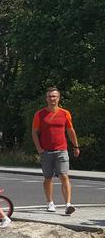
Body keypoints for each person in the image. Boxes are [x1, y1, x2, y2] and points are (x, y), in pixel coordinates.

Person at [32, 87, 80, 215]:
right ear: (46, 98)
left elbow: (70, 130)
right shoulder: (39, 114)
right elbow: (34, 132)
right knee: (48, 177)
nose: (52, 98)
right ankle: (50, 202)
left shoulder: (65, 113)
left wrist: (75, 146)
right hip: (46, 151)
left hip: (61, 150)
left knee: (64, 176)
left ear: (58, 98)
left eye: (54, 96)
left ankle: (68, 204)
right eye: (49, 96)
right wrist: (39, 149)